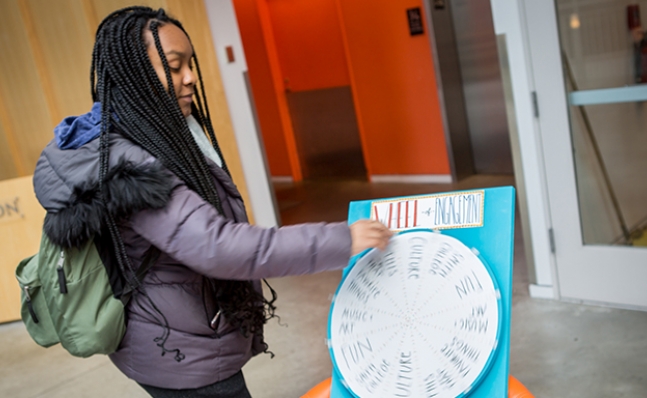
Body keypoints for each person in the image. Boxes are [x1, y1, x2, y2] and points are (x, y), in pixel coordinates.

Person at [32, 6, 392, 398]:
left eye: (191, 64)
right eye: (173, 66)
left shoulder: (151, 134)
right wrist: (342, 239)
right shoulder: (130, 169)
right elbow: (219, 246)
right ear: (132, 74)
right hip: (177, 350)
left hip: (171, 335)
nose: (189, 78)